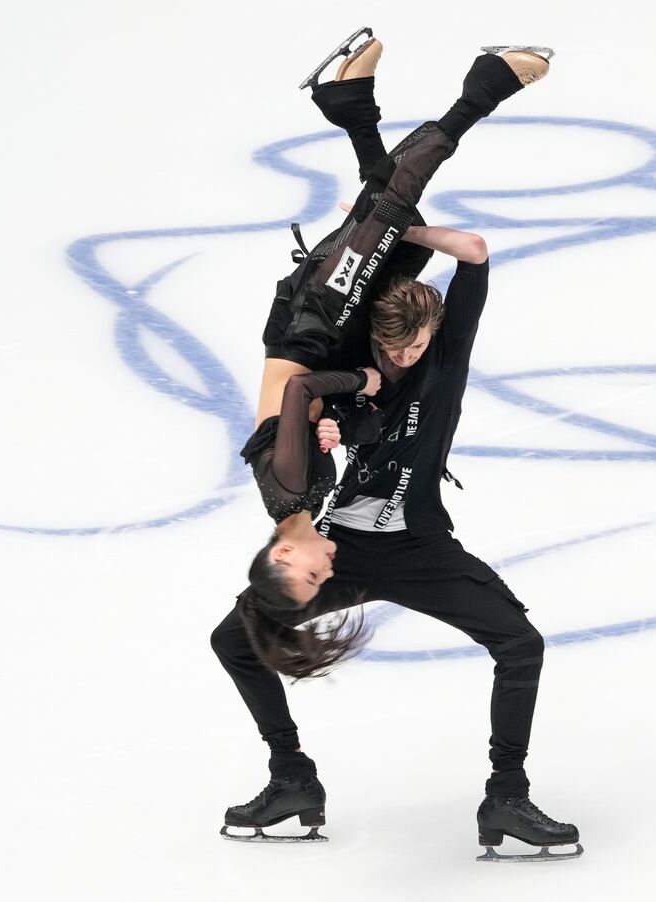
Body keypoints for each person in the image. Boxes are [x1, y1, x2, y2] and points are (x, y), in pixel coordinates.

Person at [211, 32, 582, 863]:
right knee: (234, 641)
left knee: (390, 209)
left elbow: (318, 389)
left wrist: (355, 396)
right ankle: (292, 777)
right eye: (399, 348)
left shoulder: (304, 474)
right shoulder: (320, 523)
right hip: (349, 458)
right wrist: (359, 403)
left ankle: (506, 797)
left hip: (384, 481)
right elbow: (345, 428)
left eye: (303, 572)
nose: (407, 354)